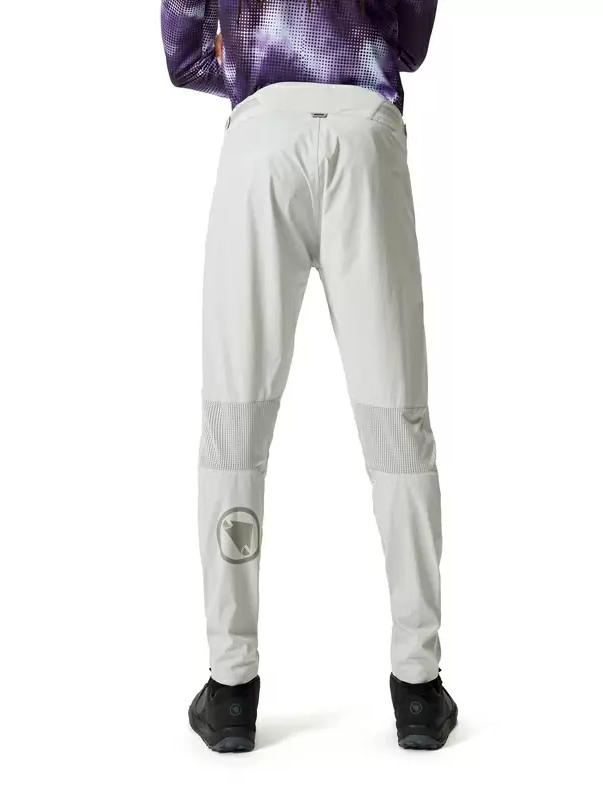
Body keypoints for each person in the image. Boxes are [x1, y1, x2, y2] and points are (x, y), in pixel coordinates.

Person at [161, 0, 456, 752]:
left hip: (261, 134)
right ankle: (418, 688)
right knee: (397, 422)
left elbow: (183, 53)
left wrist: (253, 62)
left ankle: (232, 689)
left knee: (235, 422)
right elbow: (411, 40)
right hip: (364, 130)